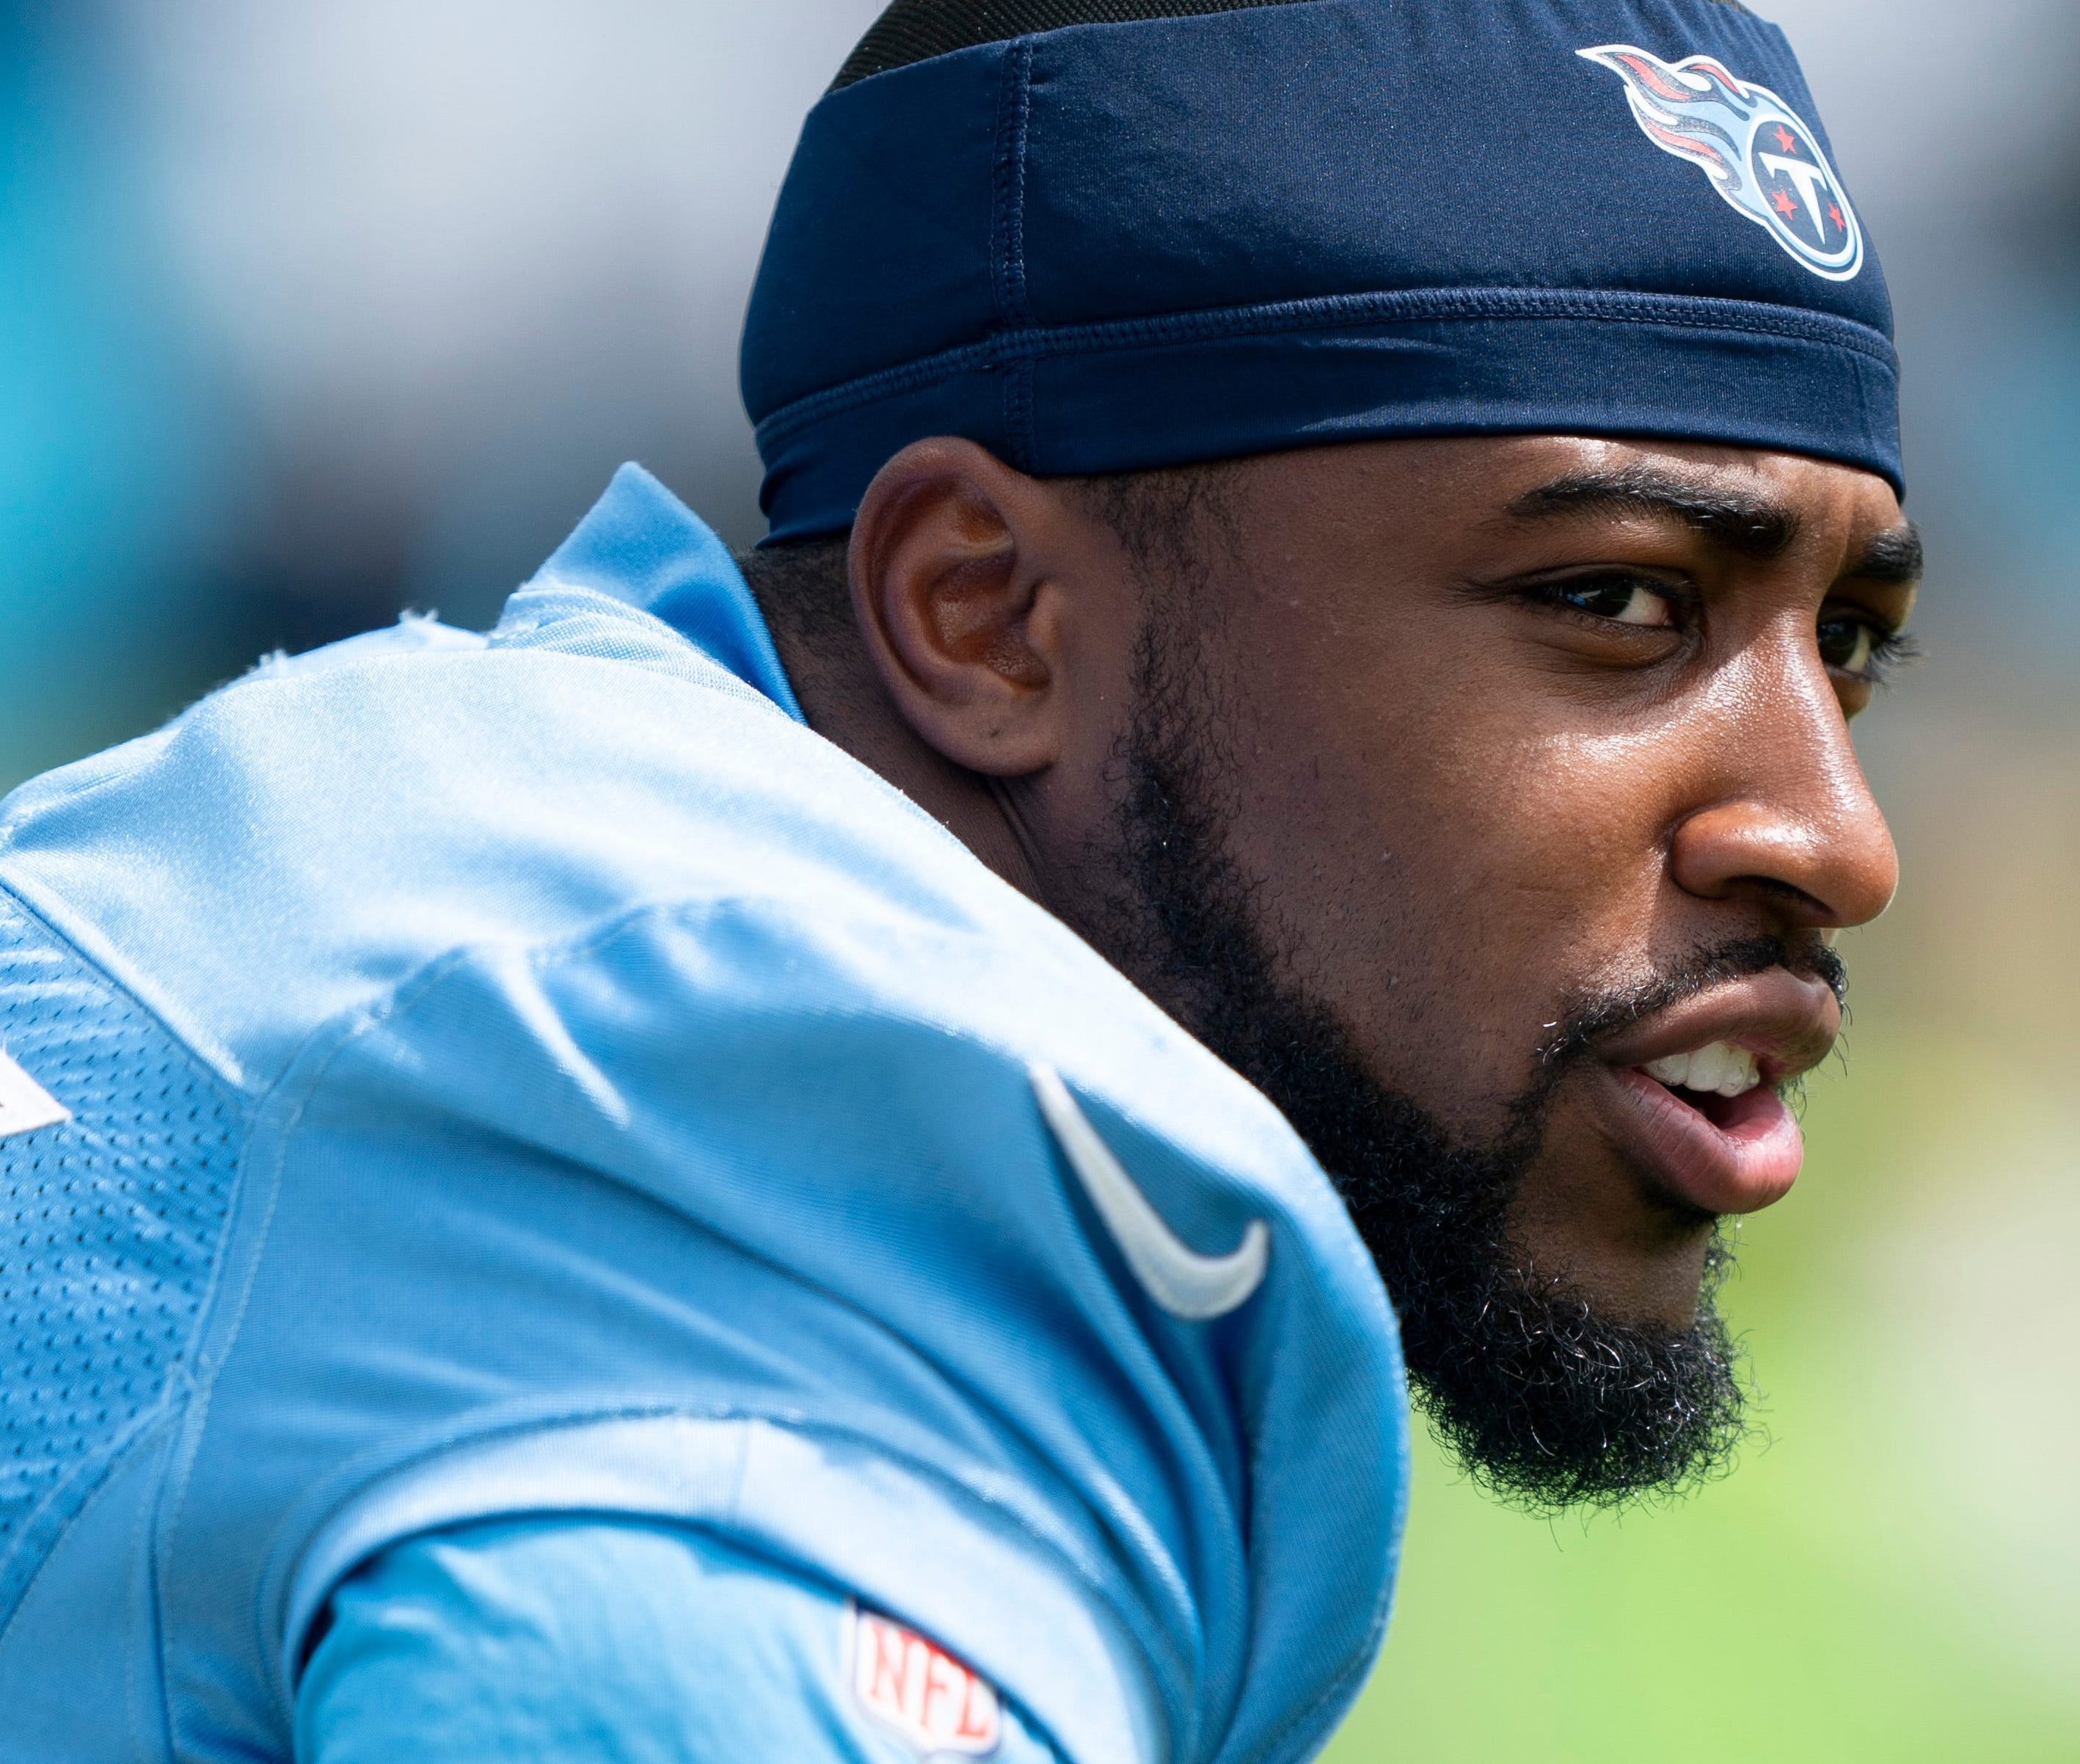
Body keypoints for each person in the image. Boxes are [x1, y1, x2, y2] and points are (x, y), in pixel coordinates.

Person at [0, 0, 1916, 1757]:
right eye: (1609, 601)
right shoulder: (770, 1290)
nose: (1836, 835)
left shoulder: (347, 876)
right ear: (983, 612)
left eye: (1846, 641)